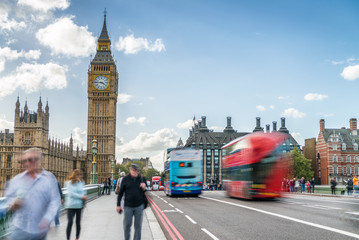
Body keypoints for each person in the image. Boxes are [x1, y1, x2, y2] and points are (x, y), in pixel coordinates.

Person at [4, 148, 60, 240]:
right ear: (25, 162)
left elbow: (55, 202)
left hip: (39, 230)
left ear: (41, 160)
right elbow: (7, 199)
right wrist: (12, 204)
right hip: (19, 229)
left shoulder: (49, 179)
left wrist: (47, 219)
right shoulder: (16, 180)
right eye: (29, 160)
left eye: (36, 159)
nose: (32, 162)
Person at [116, 164, 147, 240]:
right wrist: (118, 205)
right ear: (130, 170)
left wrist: (144, 186)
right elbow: (120, 193)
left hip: (139, 206)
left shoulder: (142, 179)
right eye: (133, 170)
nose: (135, 172)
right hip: (128, 206)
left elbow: (146, 190)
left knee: (138, 226)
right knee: (127, 225)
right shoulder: (125, 179)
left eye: (136, 170)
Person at [65, 169, 87, 240]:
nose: (81, 176)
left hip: (79, 205)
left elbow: (84, 191)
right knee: (70, 222)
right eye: (80, 175)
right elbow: (71, 194)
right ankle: (68, 238)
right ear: (75, 175)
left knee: (78, 223)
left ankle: (77, 238)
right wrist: (81, 196)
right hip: (70, 205)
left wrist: (83, 195)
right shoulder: (69, 183)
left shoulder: (82, 182)